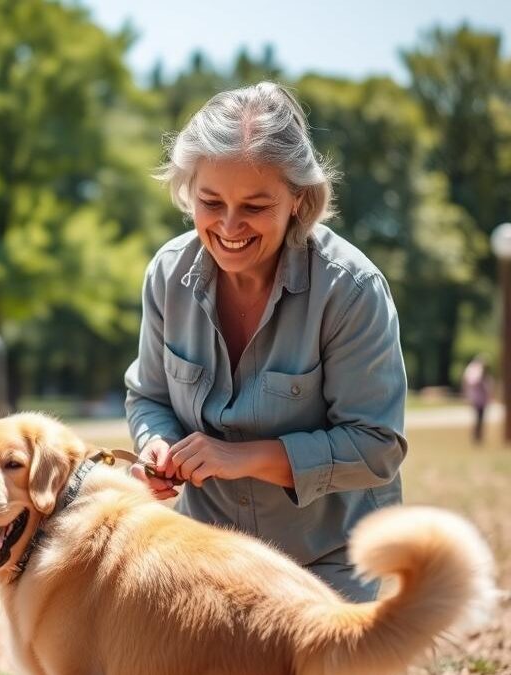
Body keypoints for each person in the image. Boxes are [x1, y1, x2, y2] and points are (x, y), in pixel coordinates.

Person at [124, 82, 407, 603]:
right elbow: (150, 397)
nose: (229, 227)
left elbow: (376, 448)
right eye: (211, 202)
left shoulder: (350, 289)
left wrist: (244, 457)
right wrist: (155, 444)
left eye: (255, 206)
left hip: (331, 562)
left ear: (299, 200)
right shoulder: (167, 274)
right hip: (208, 558)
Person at [461, 355, 493, 445]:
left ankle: (479, 436)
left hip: (482, 400)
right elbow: (472, 382)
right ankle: (476, 436)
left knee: (481, 419)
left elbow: (489, 388)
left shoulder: (486, 376)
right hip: (476, 399)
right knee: (478, 418)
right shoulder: (475, 372)